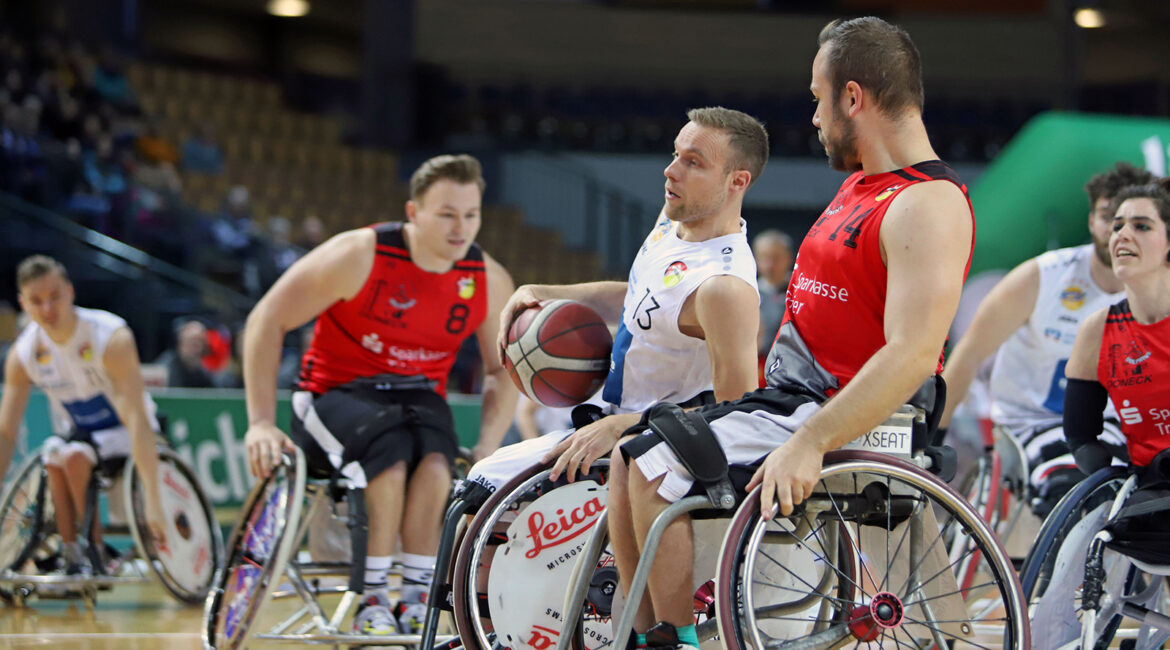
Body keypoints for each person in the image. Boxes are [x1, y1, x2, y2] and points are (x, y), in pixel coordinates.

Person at [606, 18, 975, 650]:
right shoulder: (862, 186)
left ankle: (677, 640)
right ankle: (649, 634)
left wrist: (810, 440)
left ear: (852, 99)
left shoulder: (928, 203)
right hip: (790, 402)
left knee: (651, 464)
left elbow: (914, 354)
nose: (814, 117)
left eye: (817, 98)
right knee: (630, 454)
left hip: (832, 415)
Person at [240, 154, 517, 636]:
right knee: (387, 460)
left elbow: (502, 368)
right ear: (413, 212)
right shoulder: (360, 255)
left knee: (435, 462)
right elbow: (267, 319)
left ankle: (413, 599)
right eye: (447, 214)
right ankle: (370, 597)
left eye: (471, 215)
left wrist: (490, 440)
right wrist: (260, 421)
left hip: (415, 398)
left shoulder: (487, 280)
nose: (461, 228)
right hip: (335, 393)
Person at [467, 106, 767, 498]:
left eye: (693, 162)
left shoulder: (723, 287)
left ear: (737, 181)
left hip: (655, 452)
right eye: (675, 154)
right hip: (612, 428)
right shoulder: (673, 223)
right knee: (474, 492)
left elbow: (735, 415)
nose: (671, 170)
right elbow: (641, 297)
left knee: (482, 493)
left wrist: (627, 425)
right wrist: (546, 292)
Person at [939, 162, 1155, 516]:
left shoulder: (1156, 290)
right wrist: (932, 439)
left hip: (1115, 426)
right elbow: (969, 355)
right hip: (1034, 422)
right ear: (1090, 221)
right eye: (1108, 217)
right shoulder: (1041, 277)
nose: (1119, 232)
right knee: (1084, 491)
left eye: (1135, 222)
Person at [0, 255, 167, 580]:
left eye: (54, 297)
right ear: (23, 303)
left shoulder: (110, 336)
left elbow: (135, 419)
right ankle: (71, 552)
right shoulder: (23, 354)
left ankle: (96, 549)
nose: (47, 309)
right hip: (80, 435)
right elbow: (6, 433)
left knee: (74, 455)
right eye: (36, 301)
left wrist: (154, 501)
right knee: (52, 456)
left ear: (71, 292)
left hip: (127, 431)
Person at [751, 229, 794, 364]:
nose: (770, 265)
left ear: (788, 257)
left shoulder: (801, 291)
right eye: (764, 258)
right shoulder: (748, 293)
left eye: (776, 258)